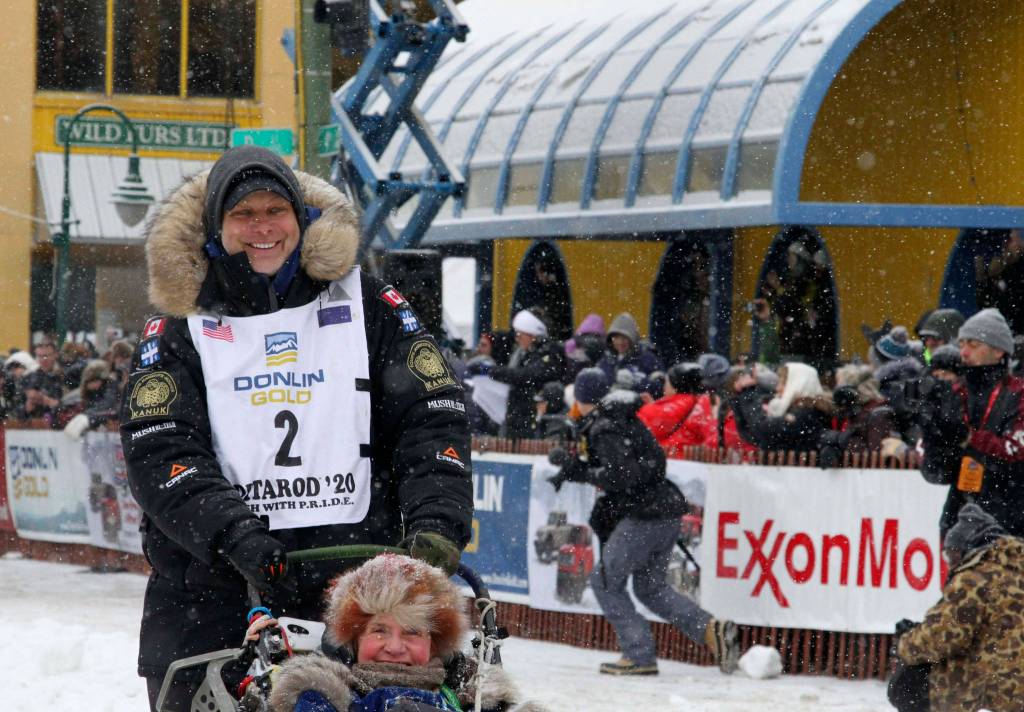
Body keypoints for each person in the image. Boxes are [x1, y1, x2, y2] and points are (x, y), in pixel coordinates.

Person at [119, 145, 473, 712]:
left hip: (356, 596)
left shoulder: (372, 304)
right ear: (216, 224)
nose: (262, 228)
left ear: (301, 219)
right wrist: (235, 535)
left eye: (274, 211)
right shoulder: (178, 326)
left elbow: (432, 419)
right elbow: (160, 449)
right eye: (243, 215)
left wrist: (437, 521)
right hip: (213, 596)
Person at [548, 368, 739, 676]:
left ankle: (638, 655)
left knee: (605, 581)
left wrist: (579, 471)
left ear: (583, 400)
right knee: (650, 588)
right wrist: (578, 468)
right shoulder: (623, 419)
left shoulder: (603, 427)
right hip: (666, 511)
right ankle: (710, 630)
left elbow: (620, 476)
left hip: (643, 516)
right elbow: (648, 464)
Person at [255, 553, 541, 712]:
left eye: (412, 632)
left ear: (435, 642)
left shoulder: (476, 698)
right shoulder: (320, 694)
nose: (394, 646)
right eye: (379, 630)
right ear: (355, 639)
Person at [895, 504, 1024, 712]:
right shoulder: (1016, 569)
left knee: (905, 685)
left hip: (991, 685)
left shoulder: (976, 578)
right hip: (1018, 689)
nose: (952, 563)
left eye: (953, 555)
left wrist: (905, 644)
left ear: (969, 548)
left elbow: (940, 636)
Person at [920, 308, 1024, 538]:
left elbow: (1016, 451)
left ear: (998, 351)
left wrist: (969, 438)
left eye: (973, 345)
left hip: (1011, 519)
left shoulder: (1018, 393)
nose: (964, 352)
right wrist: (934, 434)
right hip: (960, 519)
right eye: (962, 344)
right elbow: (935, 473)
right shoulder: (955, 391)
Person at [489, 309, 565, 440]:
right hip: (519, 417)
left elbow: (527, 375)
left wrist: (493, 371)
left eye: (520, 335)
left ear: (533, 335)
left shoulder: (549, 353)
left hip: (533, 418)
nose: (517, 339)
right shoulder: (524, 354)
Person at [732, 361, 831, 453]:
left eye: (782, 383)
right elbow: (751, 435)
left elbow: (763, 431)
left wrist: (748, 393)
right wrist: (741, 397)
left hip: (793, 471)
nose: (777, 388)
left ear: (796, 385)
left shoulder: (805, 413)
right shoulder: (796, 409)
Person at [637, 363, 708, 458]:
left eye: (666, 383)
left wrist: (642, 407)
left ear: (675, 388)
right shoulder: (700, 402)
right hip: (688, 458)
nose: (664, 388)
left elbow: (646, 426)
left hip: (675, 460)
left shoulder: (679, 405)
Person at [596, 312, 662, 385]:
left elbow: (660, 385)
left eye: (624, 338)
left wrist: (635, 383)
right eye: (616, 337)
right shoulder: (606, 359)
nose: (620, 342)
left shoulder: (647, 358)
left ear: (632, 339)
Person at [19, 339, 64, 424]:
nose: (44, 359)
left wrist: (52, 403)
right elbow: (15, 408)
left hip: (60, 430)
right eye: (40, 356)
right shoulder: (28, 378)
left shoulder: (65, 376)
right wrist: (27, 408)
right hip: (35, 429)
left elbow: (73, 405)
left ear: (55, 355)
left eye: (47, 355)